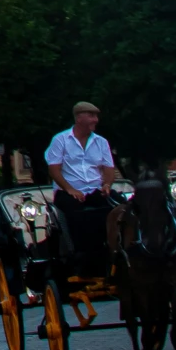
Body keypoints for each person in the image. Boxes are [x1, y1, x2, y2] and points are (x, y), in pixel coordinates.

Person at [46, 102, 117, 244]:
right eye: (91, 116)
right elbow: (54, 170)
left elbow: (109, 168)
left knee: (120, 208)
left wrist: (107, 185)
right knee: (78, 218)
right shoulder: (60, 140)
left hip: (95, 189)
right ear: (79, 118)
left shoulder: (101, 142)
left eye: (96, 116)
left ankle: (117, 246)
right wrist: (70, 189)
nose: (96, 120)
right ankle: (80, 252)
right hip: (67, 192)